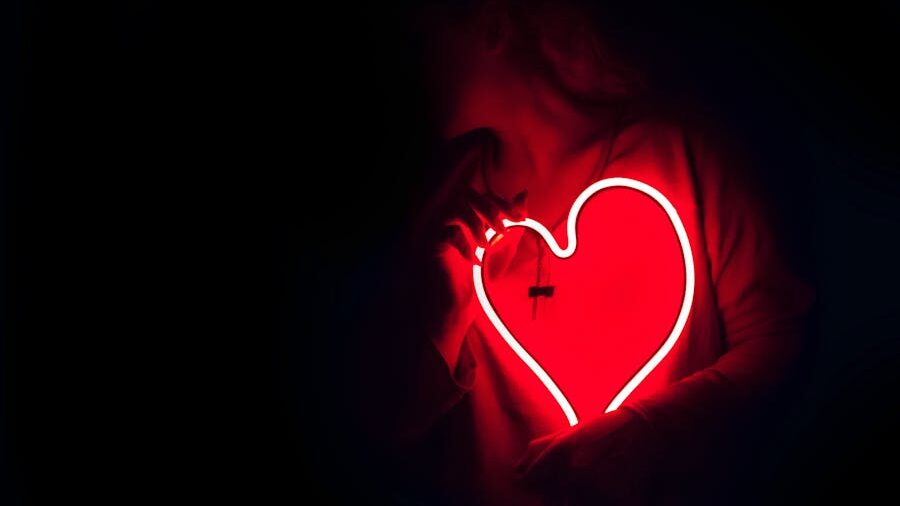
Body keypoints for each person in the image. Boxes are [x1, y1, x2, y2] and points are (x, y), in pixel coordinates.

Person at [357, 1, 813, 504]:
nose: (407, 58)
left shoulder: (682, 153)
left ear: (491, 25)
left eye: (422, 36)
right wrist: (445, 318)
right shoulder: (446, 205)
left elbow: (780, 341)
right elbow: (389, 432)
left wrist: (645, 431)